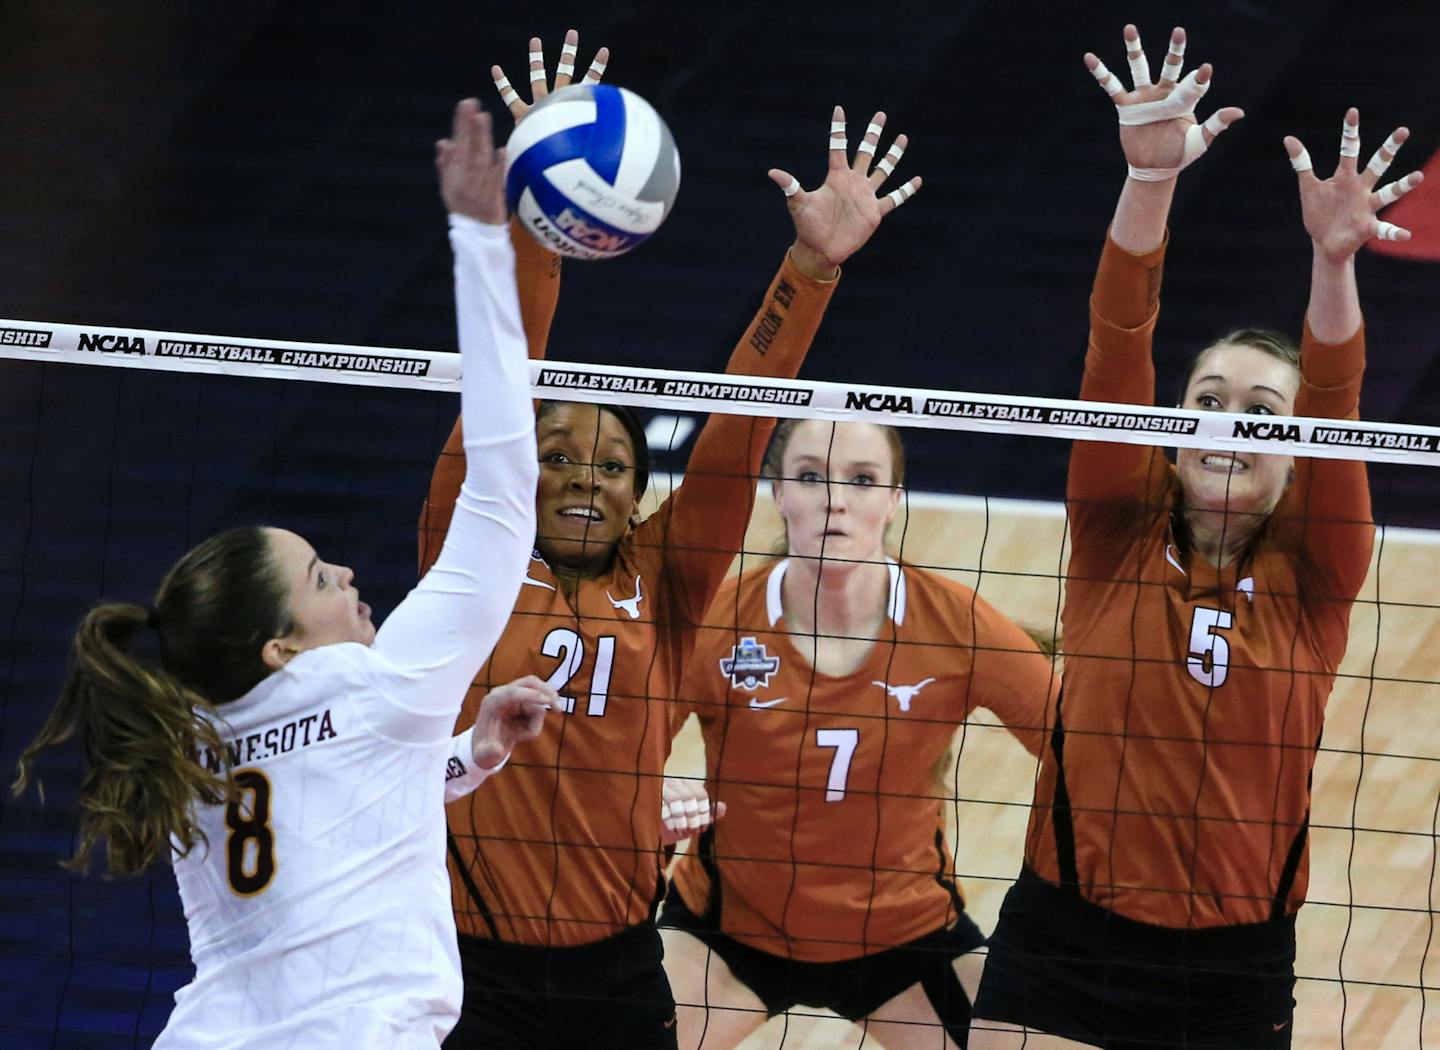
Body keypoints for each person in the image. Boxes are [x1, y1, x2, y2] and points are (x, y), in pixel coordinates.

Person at [419, 31, 923, 1050]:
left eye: (610, 467)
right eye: (557, 456)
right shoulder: (467, 552)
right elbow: (505, 368)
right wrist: (538, 212)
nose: (584, 479)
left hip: (617, 969)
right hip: (465, 962)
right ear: (521, 467)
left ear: (637, 497)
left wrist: (810, 268)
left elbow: (740, 427)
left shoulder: (671, 577)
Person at [13, 100, 552, 1048]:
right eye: (316, 579)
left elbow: (329, 807)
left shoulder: (188, 733)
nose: (346, 572)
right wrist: (479, 239)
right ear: (279, 648)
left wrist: (469, 753)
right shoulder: (376, 689)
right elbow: (504, 491)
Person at [969, 24, 1421, 1050]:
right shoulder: (1113, 531)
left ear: (1293, 454)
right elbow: (1118, 340)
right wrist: (1149, 184)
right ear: (1169, 433)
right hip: (1063, 940)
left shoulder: (1320, 575)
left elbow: (1338, 399)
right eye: (1205, 401)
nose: (1225, 422)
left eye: (1261, 412)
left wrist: (1331, 259)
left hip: (1231, 969)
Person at [659, 418, 1059, 1049]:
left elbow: (1085, 755)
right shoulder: (716, 623)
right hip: (727, 936)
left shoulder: (956, 625)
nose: (834, 498)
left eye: (862, 480)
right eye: (811, 476)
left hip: (906, 941)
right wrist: (649, 798)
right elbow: (620, 751)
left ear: (895, 500)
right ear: (777, 492)